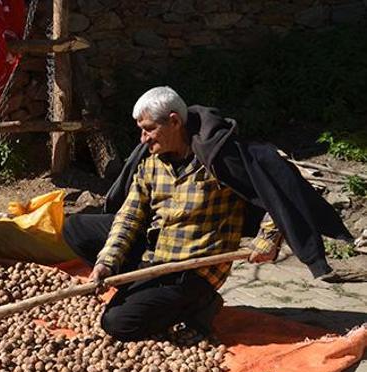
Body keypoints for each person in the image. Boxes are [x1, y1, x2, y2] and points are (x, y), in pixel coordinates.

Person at [63, 86, 352, 341]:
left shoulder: (220, 159)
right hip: (158, 251)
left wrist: (267, 238)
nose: (142, 138)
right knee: (75, 228)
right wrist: (106, 263)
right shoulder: (152, 162)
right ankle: (144, 285)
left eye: (149, 129)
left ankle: (202, 304)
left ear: (174, 122)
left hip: (194, 269)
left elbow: (276, 194)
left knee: (117, 324)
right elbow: (129, 216)